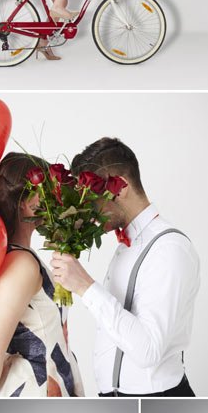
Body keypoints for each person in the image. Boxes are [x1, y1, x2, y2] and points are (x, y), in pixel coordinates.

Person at [48, 136, 200, 396]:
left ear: (121, 187)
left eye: (91, 196)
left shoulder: (168, 249)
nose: (86, 208)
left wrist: (85, 286)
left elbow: (148, 350)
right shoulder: (127, 245)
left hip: (156, 400)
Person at [0, 152, 85, 398]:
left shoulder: (16, 257)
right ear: (24, 201)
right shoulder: (22, 265)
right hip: (37, 386)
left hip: (49, 379)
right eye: (45, 192)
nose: (53, 200)